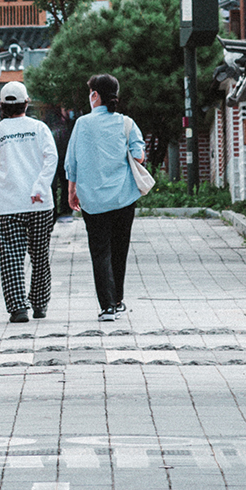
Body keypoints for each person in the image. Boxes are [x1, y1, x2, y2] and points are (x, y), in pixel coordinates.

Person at [65, 73, 147, 321]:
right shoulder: (126, 123)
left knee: (100, 251)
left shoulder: (82, 124)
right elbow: (139, 156)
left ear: (95, 95)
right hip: (123, 197)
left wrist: (72, 191)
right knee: (119, 250)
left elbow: (72, 162)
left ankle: (107, 306)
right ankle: (118, 300)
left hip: (93, 200)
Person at [0, 80, 59, 323]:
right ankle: (40, 304)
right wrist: (40, 185)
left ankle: (18, 308)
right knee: (40, 255)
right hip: (40, 203)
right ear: (27, 103)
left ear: (2, 106)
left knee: (11, 257)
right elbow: (51, 158)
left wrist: (9, 178)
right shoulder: (39, 128)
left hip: (9, 203)